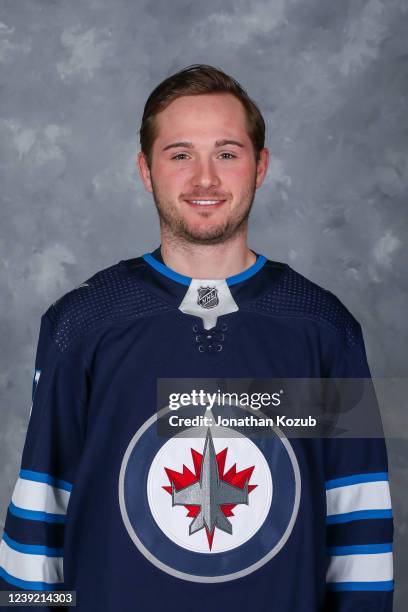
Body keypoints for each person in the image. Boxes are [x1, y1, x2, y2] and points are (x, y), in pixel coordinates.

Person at [0, 64, 394, 611]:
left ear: (260, 167)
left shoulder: (322, 329)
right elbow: (41, 519)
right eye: (180, 154)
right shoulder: (83, 325)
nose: (204, 178)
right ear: (145, 169)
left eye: (227, 153)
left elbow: (357, 525)